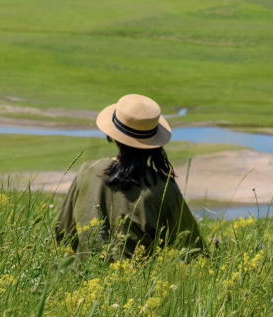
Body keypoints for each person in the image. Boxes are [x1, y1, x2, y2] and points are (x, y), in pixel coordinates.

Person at [55, 94, 205, 259]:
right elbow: (195, 250)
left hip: (82, 277)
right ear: (154, 143)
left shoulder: (88, 170)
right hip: (136, 282)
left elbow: (61, 230)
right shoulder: (164, 188)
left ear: (114, 135)